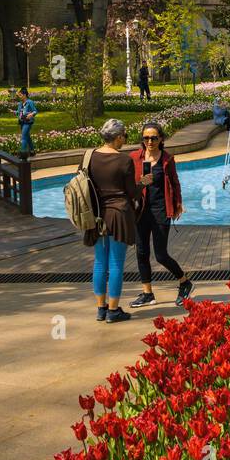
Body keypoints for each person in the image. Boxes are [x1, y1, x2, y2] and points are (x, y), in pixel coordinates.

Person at [128, 122, 194, 309]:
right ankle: (147, 293)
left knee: (161, 255)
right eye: (146, 138)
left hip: (160, 211)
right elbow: (128, 185)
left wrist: (178, 203)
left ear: (161, 139)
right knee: (141, 253)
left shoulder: (166, 159)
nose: (150, 141)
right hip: (140, 211)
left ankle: (184, 281)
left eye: (154, 138)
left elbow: (175, 182)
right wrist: (140, 183)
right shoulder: (134, 158)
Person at [85, 119, 141, 323]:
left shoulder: (89, 156)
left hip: (97, 215)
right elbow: (131, 192)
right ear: (118, 137)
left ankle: (101, 308)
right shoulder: (124, 160)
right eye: (124, 136)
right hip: (118, 214)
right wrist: (143, 183)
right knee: (116, 263)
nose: (125, 139)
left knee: (100, 262)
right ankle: (114, 310)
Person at [16, 87, 37, 153]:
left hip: (28, 122)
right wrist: (13, 112)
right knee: (27, 136)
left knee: (24, 136)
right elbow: (19, 112)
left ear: (24, 95)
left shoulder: (30, 102)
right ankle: (32, 150)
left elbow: (35, 111)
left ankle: (22, 152)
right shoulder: (20, 103)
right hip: (21, 121)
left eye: (20, 95)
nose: (19, 97)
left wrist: (31, 114)